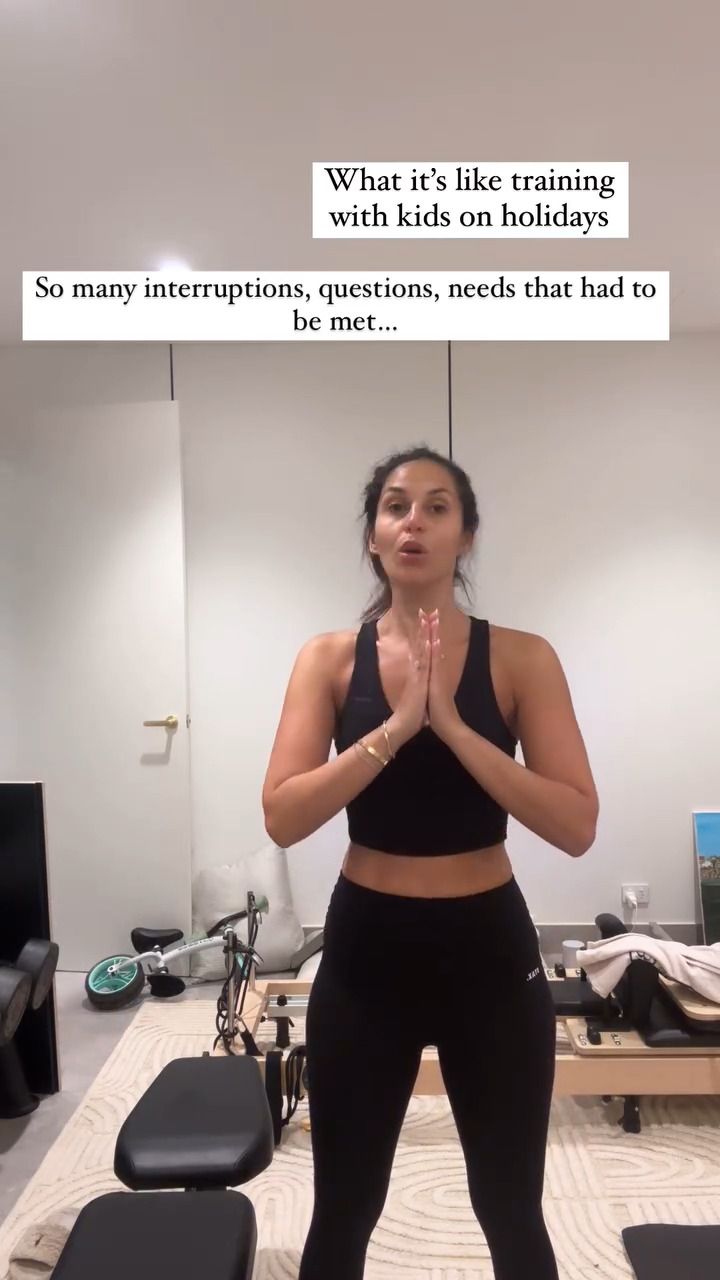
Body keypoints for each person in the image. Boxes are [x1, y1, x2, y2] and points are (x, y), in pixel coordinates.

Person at [262, 445, 599, 1280]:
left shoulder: (521, 658)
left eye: (437, 506)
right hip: (367, 954)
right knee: (344, 1208)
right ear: (373, 536)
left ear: (466, 535)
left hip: (489, 955)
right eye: (395, 505)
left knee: (511, 1209)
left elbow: (575, 824)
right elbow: (284, 815)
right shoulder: (328, 660)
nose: (413, 521)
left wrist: (451, 725)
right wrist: (394, 728)